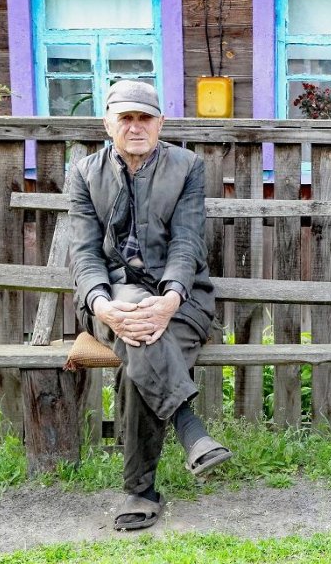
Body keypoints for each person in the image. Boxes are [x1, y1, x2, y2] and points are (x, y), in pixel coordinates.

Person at [68, 80, 232, 531]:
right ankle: (190, 430)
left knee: (140, 346)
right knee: (134, 326)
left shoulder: (187, 167)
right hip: (109, 304)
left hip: (180, 303)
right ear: (108, 123)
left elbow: (187, 242)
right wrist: (101, 306)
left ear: (160, 123)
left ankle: (138, 491)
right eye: (126, 118)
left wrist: (170, 298)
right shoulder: (84, 172)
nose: (136, 127)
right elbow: (83, 252)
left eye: (145, 118)